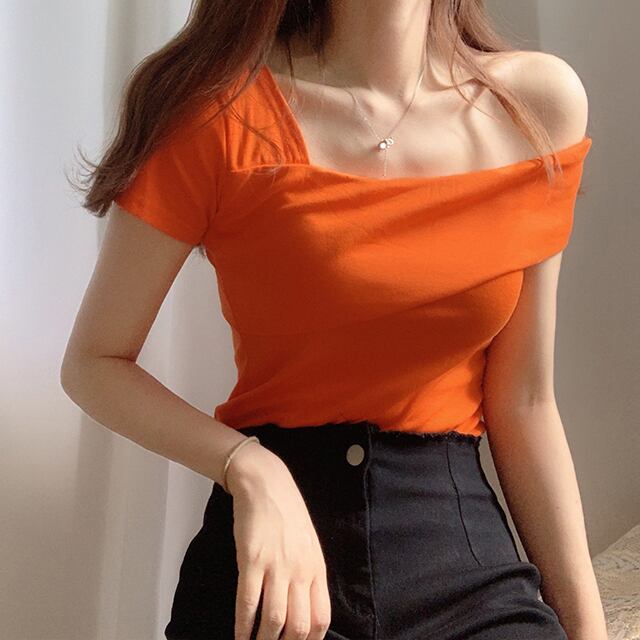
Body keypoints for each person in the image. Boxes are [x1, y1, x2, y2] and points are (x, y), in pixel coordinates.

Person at [61, 1, 608, 639]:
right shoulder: (215, 112)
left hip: (460, 560)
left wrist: (588, 632)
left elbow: (525, 403)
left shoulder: (536, 106)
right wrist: (250, 467)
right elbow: (94, 363)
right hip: (274, 574)